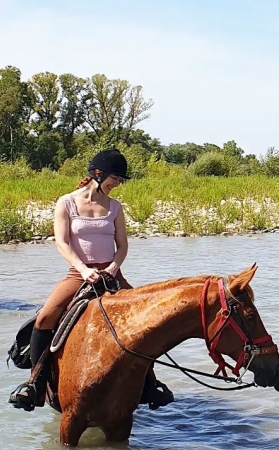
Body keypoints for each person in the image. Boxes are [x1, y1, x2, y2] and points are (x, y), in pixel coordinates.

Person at [9, 149, 173, 411]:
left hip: (111, 274)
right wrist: (84, 270)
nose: (117, 184)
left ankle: (149, 384)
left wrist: (113, 267)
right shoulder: (66, 203)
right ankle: (35, 383)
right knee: (45, 318)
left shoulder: (115, 207)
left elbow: (122, 246)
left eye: (119, 181)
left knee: (146, 321)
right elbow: (62, 243)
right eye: (115, 179)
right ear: (98, 174)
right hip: (78, 274)